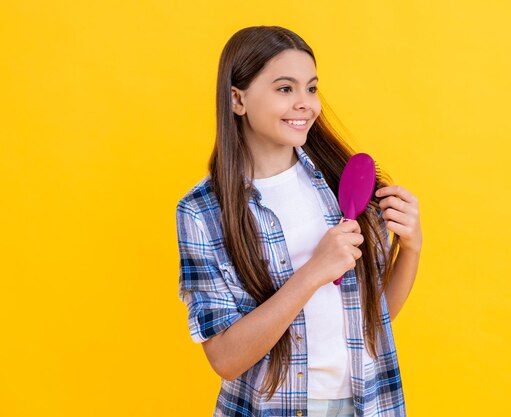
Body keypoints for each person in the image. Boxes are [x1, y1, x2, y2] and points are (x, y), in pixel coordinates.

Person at [176, 25, 422, 417]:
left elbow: (376, 321)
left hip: (368, 404)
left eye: (311, 88)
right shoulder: (203, 211)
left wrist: (410, 248)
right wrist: (312, 273)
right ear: (237, 100)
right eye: (285, 88)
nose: (305, 102)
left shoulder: (343, 183)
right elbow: (224, 357)